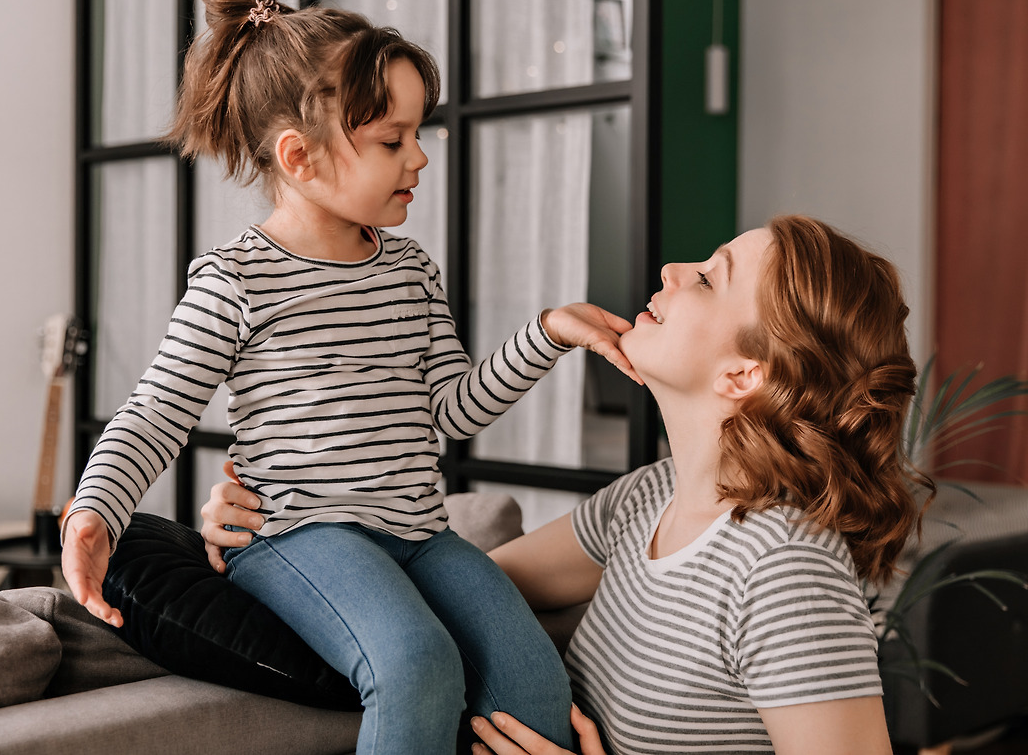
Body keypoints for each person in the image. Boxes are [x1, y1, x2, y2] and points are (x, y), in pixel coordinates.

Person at [61, 0, 640, 755]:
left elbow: (452, 406)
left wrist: (547, 333)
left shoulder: (408, 268)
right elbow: (157, 410)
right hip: (298, 536)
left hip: (420, 532)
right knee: (414, 661)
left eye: (419, 134)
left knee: (536, 682)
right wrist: (94, 507)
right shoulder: (236, 279)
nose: (420, 157)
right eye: (392, 139)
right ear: (299, 158)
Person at [203, 214, 933, 755]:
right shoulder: (647, 498)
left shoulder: (784, 569)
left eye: (708, 278)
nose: (674, 270)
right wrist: (278, 523)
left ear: (744, 374)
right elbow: (450, 590)